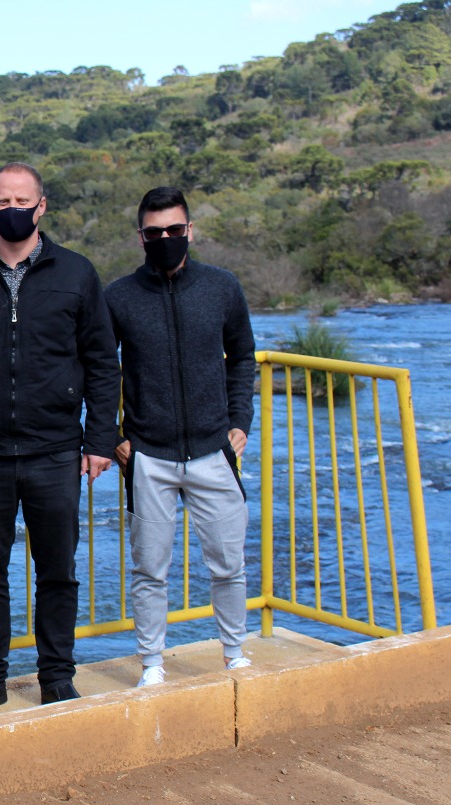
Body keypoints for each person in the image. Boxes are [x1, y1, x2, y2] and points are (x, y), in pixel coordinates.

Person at [0, 162, 119, 721]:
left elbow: (102, 364)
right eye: (1, 200)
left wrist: (100, 440)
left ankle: (58, 676)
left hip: (57, 448)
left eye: (22, 200)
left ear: (41, 207)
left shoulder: (77, 273)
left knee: (58, 569)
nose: (12, 208)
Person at [105, 186, 256, 688]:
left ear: (190, 230)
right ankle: (152, 663)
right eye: (155, 232)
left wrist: (240, 422)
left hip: (215, 450)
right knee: (150, 569)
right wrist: (112, 434)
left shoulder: (222, 286)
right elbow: (99, 371)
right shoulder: (119, 297)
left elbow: (242, 357)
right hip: (149, 454)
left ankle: (235, 653)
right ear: (141, 236)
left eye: (174, 230)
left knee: (229, 563)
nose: (165, 238)